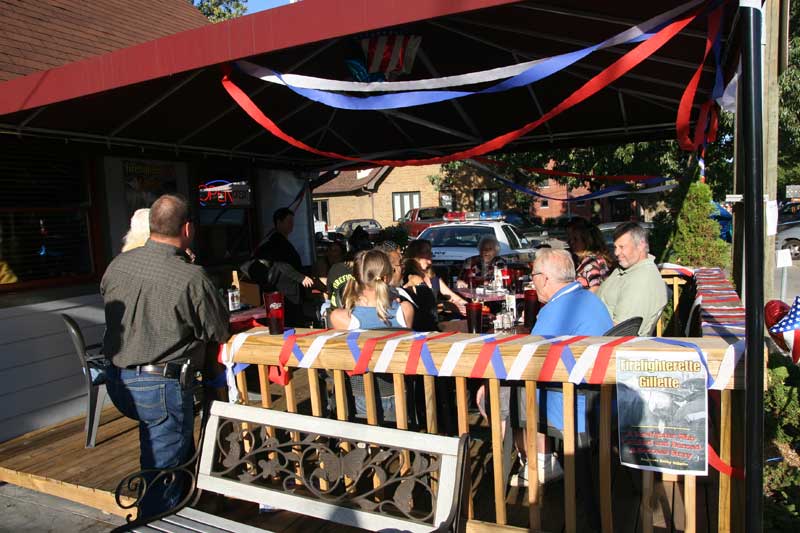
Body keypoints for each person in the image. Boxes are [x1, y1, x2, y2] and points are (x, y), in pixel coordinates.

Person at [100, 194, 229, 518]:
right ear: (187, 229)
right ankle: (159, 522)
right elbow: (218, 331)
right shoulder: (190, 276)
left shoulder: (118, 264)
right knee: (161, 478)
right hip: (159, 386)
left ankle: (186, 509)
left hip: (119, 381)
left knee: (172, 453)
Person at [330, 250, 414, 423]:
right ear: (386, 278)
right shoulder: (405, 310)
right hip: (398, 389)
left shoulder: (341, 318)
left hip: (360, 393)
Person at [597, 222, 667, 335]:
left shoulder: (641, 280)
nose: (616, 252)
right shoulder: (627, 267)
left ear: (641, 245)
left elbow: (619, 332)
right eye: (615, 247)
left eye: (621, 247)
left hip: (602, 345)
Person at [253, 208, 313, 325]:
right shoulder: (276, 242)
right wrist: (301, 278)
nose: (292, 225)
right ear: (279, 223)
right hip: (285, 293)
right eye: (289, 221)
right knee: (291, 324)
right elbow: (281, 264)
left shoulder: (282, 241)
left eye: (292, 221)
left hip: (289, 291)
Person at [405, 239, 467, 315]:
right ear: (416, 255)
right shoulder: (409, 277)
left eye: (430, 251)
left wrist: (470, 306)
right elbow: (422, 305)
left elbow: (452, 296)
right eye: (427, 251)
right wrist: (445, 305)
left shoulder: (433, 277)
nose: (431, 254)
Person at [566, 217, 613, 292]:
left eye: (575, 239)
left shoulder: (590, 262)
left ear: (586, 241)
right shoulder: (597, 258)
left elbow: (596, 288)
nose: (571, 242)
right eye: (569, 238)